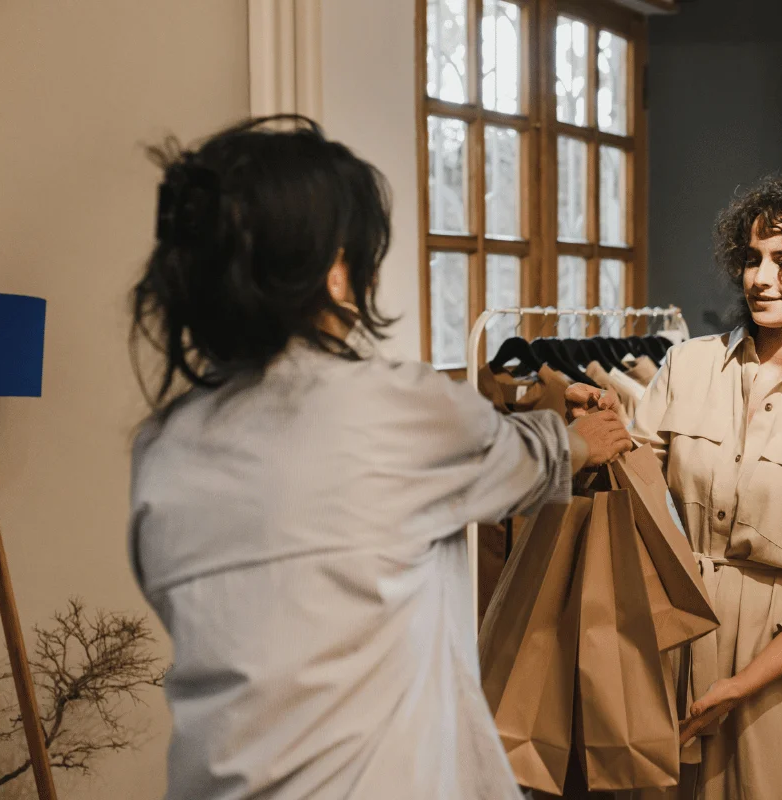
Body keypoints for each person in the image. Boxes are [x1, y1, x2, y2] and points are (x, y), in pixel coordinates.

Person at [126, 115, 632, 800]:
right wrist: (578, 439)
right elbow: (523, 461)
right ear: (338, 272)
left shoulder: (163, 450)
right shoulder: (396, 409)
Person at [569, 175, 782, 800]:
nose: (761, 278)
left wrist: (741, 684)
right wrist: (598, 427)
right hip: (669, 642)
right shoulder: (687, 366)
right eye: (753, 259)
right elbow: (632, 494)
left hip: (779, 669)